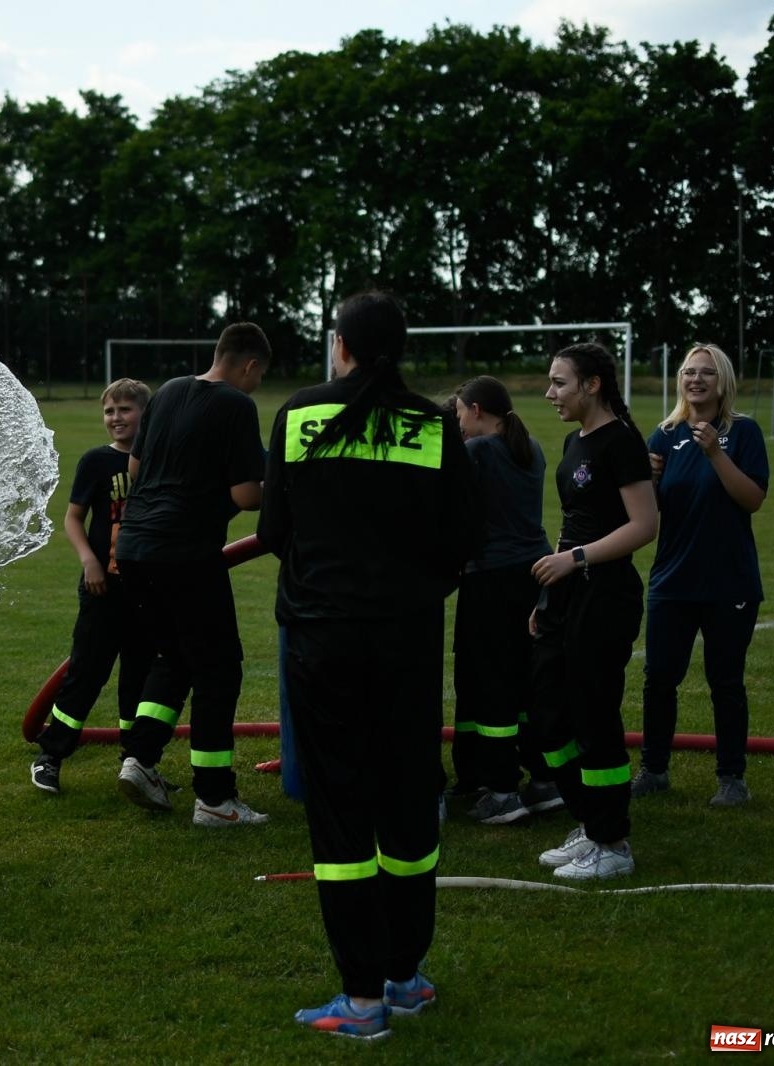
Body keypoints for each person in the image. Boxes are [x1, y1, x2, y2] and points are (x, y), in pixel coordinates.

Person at [260, 291, 481, 1040]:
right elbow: (461, 541)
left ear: (343, 347)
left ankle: (360, 1000)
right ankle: (404, 976)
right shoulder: (433, 423)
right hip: (408, 643)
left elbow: (273, 528)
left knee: (341, 811)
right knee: (409, 804)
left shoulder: (298, 414)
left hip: (324, 643)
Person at [112, 323, 270, 826]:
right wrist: (283, 486)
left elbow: (135, 471)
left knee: (173, 656)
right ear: (249, 365)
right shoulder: (237, 406)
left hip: (135, 548)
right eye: (260, 375)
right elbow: (247, 495)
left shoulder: (170, 391)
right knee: (219, 670)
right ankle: (216, 799)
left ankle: (140, 760)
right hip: (185, 552)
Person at [530, 342, 658, 881]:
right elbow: (573, 521)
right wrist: (547, 597)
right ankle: (588, 820)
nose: (549, 393)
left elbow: (643, 526)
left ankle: (613, 842)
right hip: (567, 593)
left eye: (560, 383)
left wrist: (575, 560)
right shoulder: (571, 441)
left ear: (592, 385)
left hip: (606, 595)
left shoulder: (622, 442)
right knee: (546, 710)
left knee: (594, 715)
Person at [634, 343, 768, 807]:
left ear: (722, 381)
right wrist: (649, 481)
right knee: (659, 679)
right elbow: (645, 519)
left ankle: (732, 778)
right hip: (672, 579)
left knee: (725, 681)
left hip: (730, 581)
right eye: (689, 372)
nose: (696, 380)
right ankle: (653, 769)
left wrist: (715, 453)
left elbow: (752, 499)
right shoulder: (664, 435)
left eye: (706, 373)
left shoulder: (743, 432)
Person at [31, 378, 156, 794]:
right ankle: (51, 756)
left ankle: (135, 761)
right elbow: (73, 518)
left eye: (125, 409)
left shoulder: (158, 460)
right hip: (104, 588)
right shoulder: (96, 461)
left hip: (147, 589)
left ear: (146, 414)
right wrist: (90, 561)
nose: (116, 418)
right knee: (86, 673)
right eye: (109, 411)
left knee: (138, 676)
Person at [449, 376, 561, 824]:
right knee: (524, 680)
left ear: (476, 410)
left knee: (488, 680)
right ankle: (542, 779)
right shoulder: (530, 447)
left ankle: (499, 790)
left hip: (490, 580)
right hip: (532, 576)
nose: (457, 423)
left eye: (459, 413)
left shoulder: (477, 452)